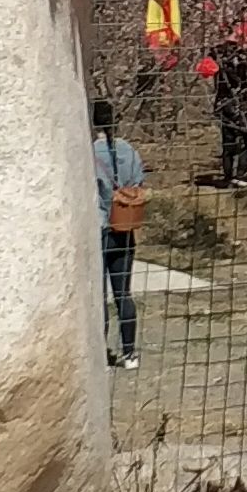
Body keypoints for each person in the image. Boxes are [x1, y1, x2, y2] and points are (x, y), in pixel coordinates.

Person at [91, 99, 145, 368]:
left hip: (99, 229)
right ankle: (130, 352)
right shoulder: (129, 151)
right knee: (123, 293)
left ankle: (101, 351)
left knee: (98, 296)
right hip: (125, 227)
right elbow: (138, 184)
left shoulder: (88, 153)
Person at [208, 35, 247, 187]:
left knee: (229, 141)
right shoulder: (242, 54)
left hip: (222, 104)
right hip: (236, 102)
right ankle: (240, 175)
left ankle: (229, 176)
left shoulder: (217, 53)